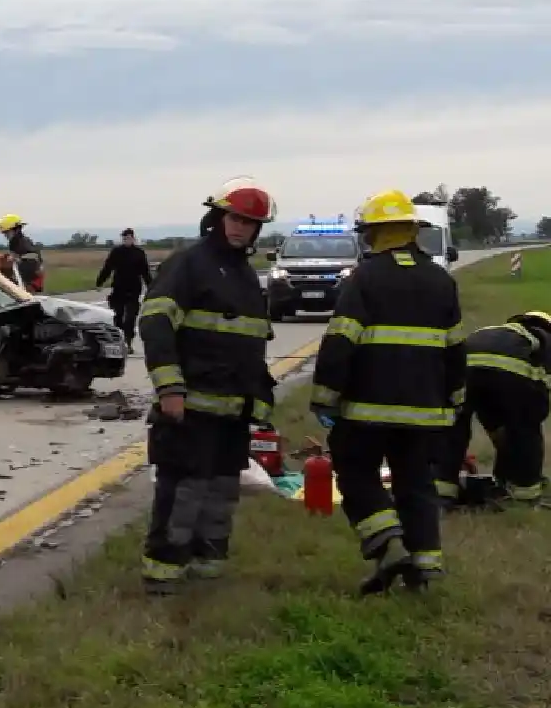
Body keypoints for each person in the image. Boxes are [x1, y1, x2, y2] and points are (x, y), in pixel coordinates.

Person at [310, 189, 465, 595]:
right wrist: (454, 400)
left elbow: (341, 341)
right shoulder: (441, 280)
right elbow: (454, 349)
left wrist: (324, 396)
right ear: (413, 231)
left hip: (366, 410)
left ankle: (387, 543)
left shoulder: (365, 278)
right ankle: (426, 571)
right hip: (425, 412)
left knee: (357, 474)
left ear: (373, 234)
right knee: (416, 484)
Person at [138, 177, 278, 595]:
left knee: (221, 495)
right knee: (183, 494)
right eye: (234, 218)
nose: (240, 227)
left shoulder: (245, 276)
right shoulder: (189, 264)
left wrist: (260, 401)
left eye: (249, 222)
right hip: (190, 408)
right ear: (218, 217)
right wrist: (170, 390)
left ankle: (207, 575)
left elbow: (251, 345)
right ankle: (163, 577)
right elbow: (155, 322)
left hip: (232, 413)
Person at [436, 311, 551, 508]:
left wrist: (499, 431)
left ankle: (442, 493)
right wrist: (530, 418)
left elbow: (487, 401)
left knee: (454, 431)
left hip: (465, 371)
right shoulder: (544, 337)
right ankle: (524, 495)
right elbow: (539, 396)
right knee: (525, 429)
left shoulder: (492, 331)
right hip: (509, 374)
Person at [96, 228, 153, 352]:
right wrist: (99, 282)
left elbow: (145, 272)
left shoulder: (139, 253)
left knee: (130, 318)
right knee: (118, 316)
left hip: (133, 290)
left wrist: (151, 287)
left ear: (133, 238)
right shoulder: (116, 252)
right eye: (124, 238)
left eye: (128, 238)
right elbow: (107, 268)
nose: (126, 240)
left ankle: (128, 342)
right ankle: (119, 341)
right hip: (118, 289)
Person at [0, 214, 44, 292]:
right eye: (4, 233)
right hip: (22, 282)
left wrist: (17, 259)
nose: (5, 235)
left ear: (16, 230)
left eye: (7, 232)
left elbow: (34, 259)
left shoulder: (23, 242)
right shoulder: (15, 243)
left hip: (29, 285)